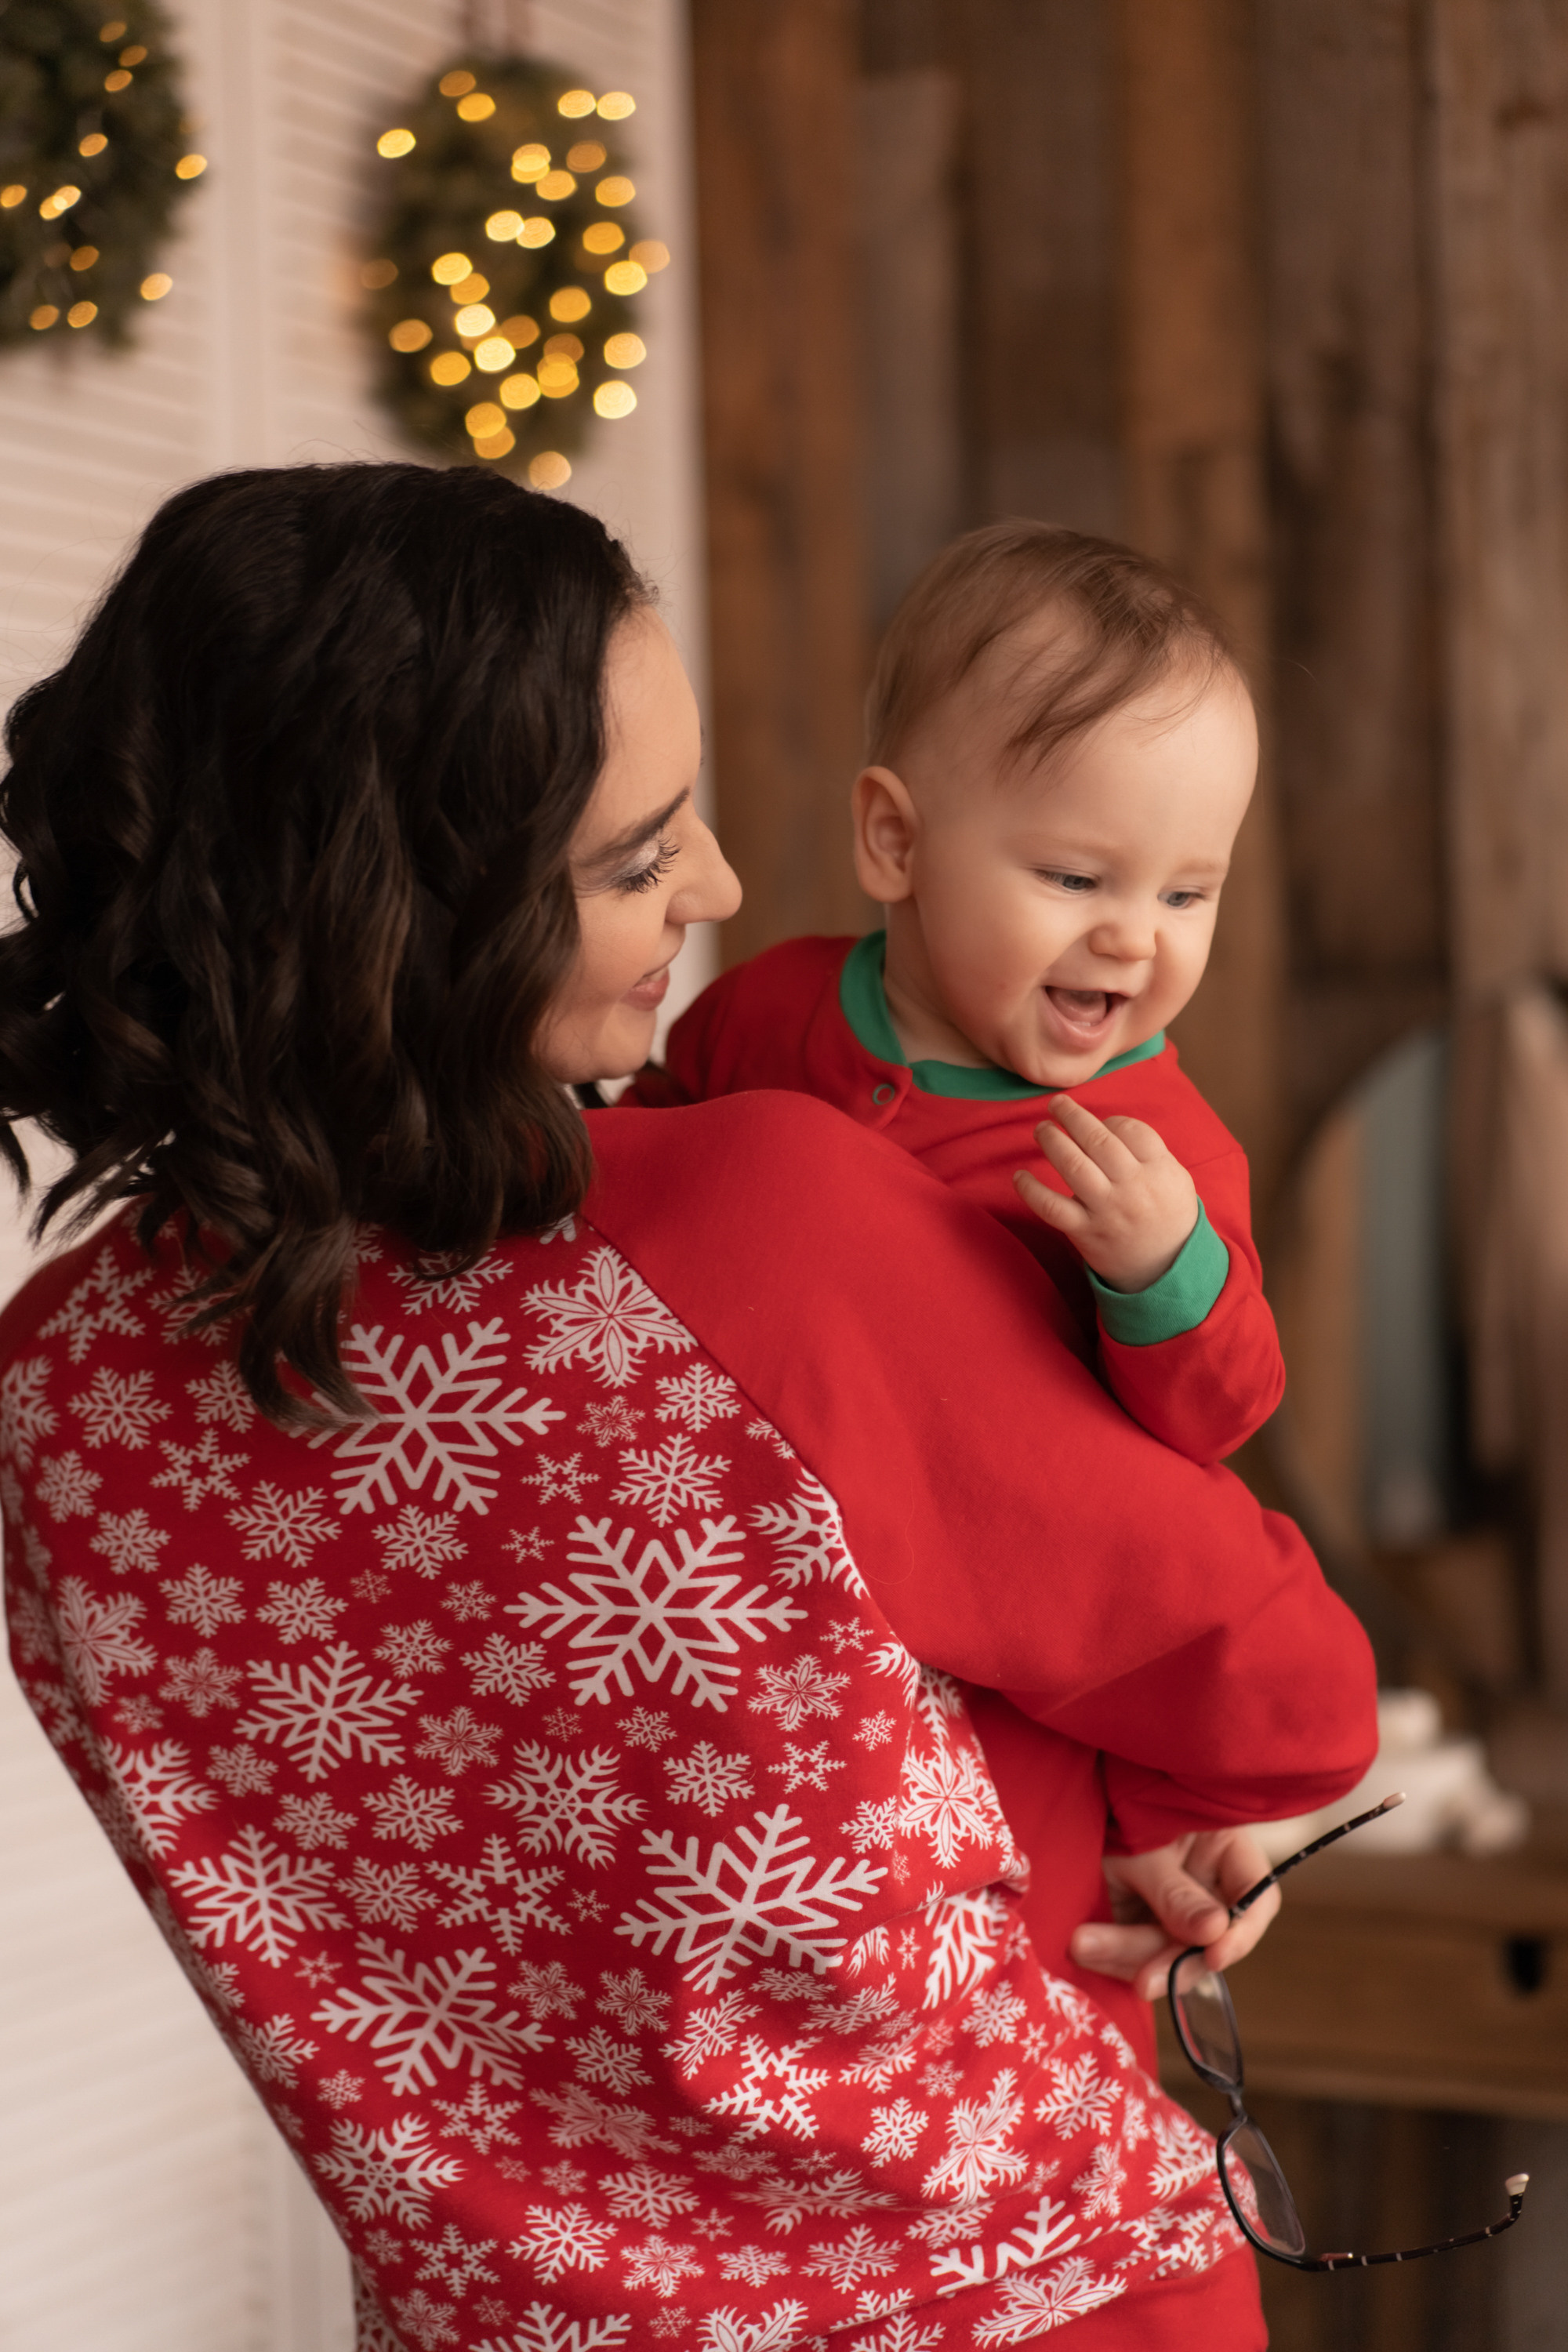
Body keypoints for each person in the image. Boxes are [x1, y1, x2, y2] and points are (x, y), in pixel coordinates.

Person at [0, 464, 1374, 2351]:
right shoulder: (753, 1234)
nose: (722, 887)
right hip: (1009, 2299)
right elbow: (1278, 1679)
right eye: (641, 853)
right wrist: (1181, 1803)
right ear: (410, 905)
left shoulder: (57, 1401)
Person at [630, 523, 1283, 1467]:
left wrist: (1159, 1269)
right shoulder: (765, 1007)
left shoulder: (1156, 1159)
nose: (1136, 937)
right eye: (1073, 878)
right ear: (897, 842)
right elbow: (637, 1178)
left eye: (1185, 894)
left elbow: (1221, 1419)